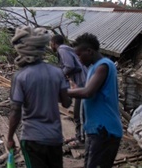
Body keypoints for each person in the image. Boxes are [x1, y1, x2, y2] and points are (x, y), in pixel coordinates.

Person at [7, 26, 72, 168]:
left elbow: (15, 110)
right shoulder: (57, 73)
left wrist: (10, 137)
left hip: (32, 138)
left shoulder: (20, 76)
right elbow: (66, 103)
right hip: (55, 138)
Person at [68, 33, 122, 168]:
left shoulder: (103, 66)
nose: (78, 60)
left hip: (104, 129)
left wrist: (61, 92)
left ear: (89, 51)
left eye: (79, 55)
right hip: (95, 130)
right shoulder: (94, 67)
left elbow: (88, 92)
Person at [50, 34, 87, 144]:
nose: (50, 45)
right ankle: (79, 136)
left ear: (53, 43)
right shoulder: (67, 49)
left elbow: (70, 66)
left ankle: (81, 139)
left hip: (83, 84)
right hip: (81, 83)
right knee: (78, 113)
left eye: (50, 43)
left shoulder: (62, 49)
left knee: (79, 114)